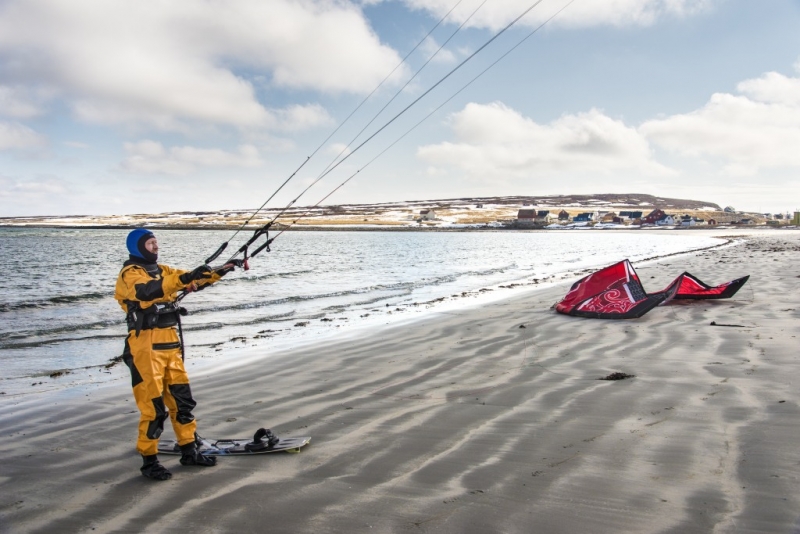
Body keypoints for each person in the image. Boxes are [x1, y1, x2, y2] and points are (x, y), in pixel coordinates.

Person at [115, 228, 237, 480]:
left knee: (183, 403)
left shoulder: (164, 270)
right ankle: (149, 462)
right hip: (145, 347)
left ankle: (189, 451)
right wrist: (185, 279)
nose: (155, 246)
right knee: (153, 409)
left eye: (156, 242)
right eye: (150, 243)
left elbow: (190, 279)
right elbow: (148, 291)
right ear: (138, 247)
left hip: (170, 343)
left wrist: (220, 271)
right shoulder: (131, 274)